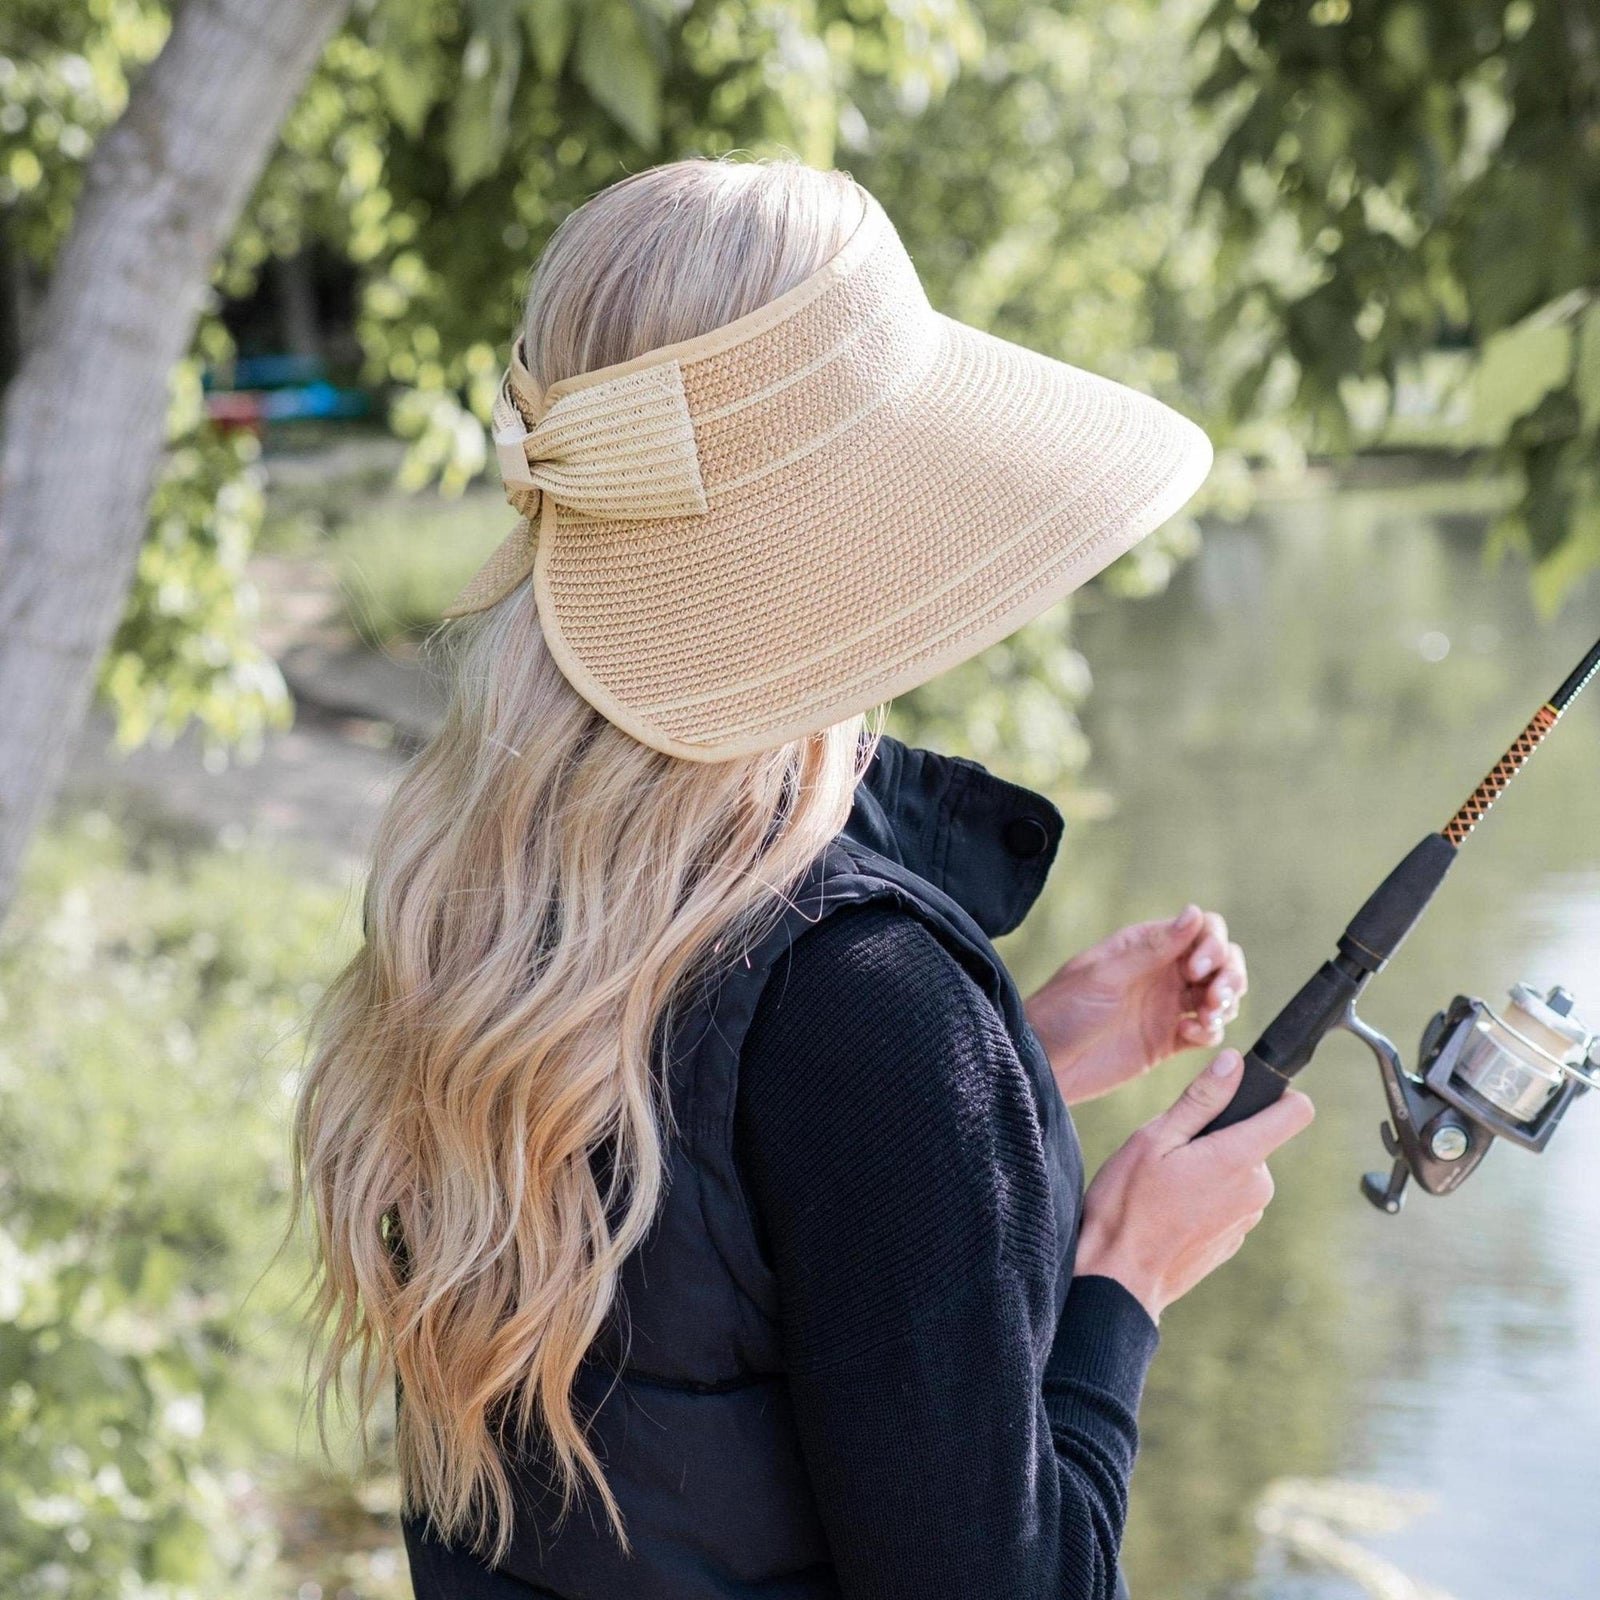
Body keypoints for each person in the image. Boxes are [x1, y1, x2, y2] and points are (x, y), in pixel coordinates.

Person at [291, 154, 1314, 1600]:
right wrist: (1123, 1274)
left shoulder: (485, 901)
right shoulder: (868, 1009)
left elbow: (711, 1271)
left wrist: (1016, 1077)